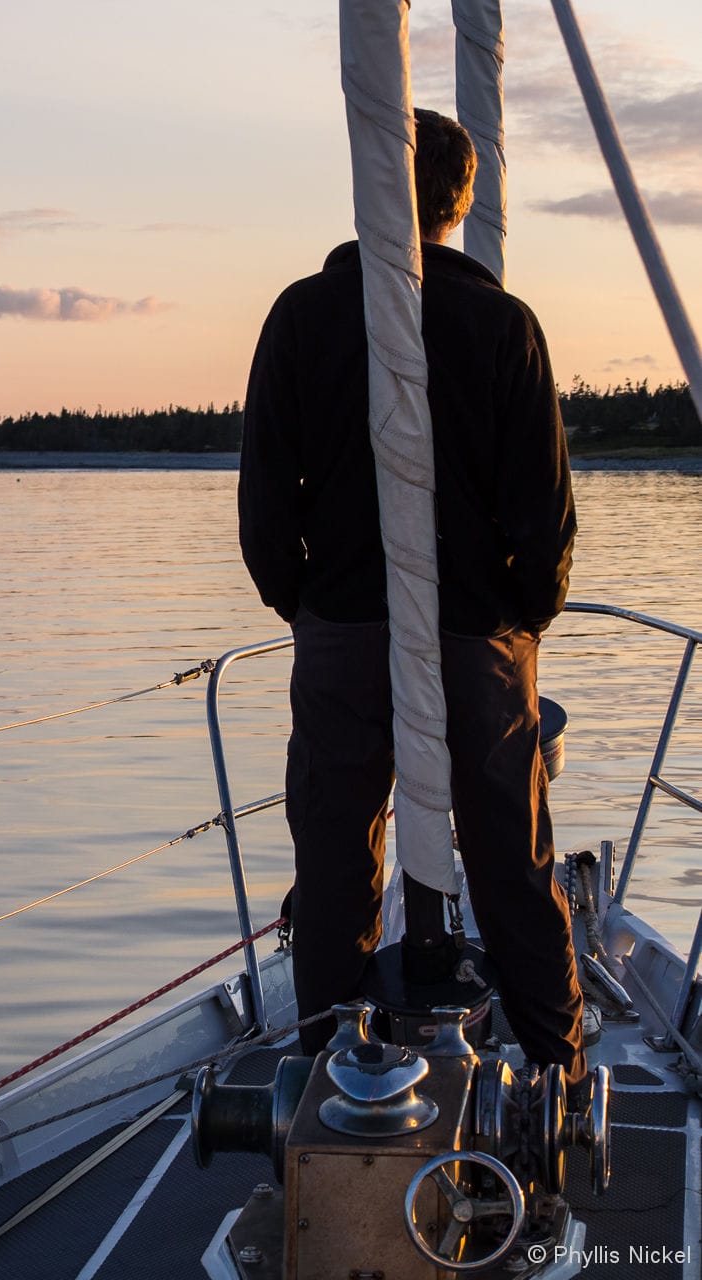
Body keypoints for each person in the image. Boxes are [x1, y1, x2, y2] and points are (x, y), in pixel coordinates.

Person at [237, 108, 586, 1091]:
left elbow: (265, 498)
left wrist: (303, 601)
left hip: (344, 626)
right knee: (509, 859)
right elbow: (543, 515)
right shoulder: (502, 325)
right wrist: (518, 614)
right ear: (458, 200)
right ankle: (557, 1073)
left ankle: (325, 1070)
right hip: (478, 634)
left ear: (369, 191)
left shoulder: (301, 317)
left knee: (339, 851)